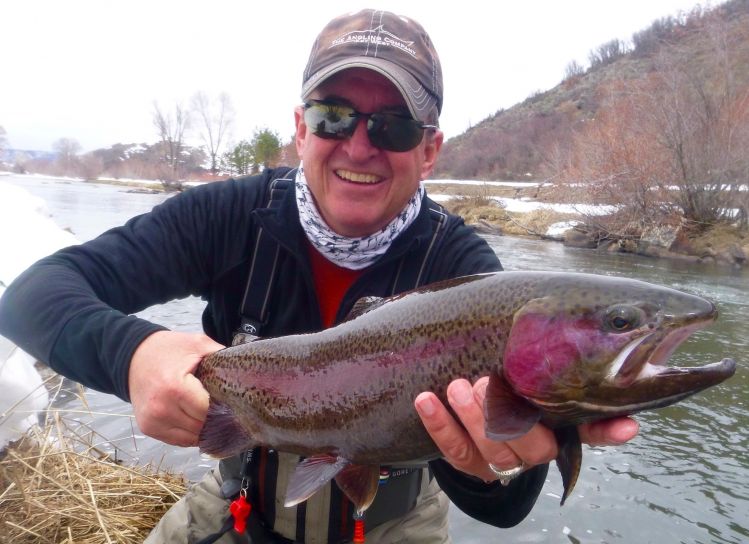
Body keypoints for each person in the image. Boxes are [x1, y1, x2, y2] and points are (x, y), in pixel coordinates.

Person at [0, 9, 638, 544]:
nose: (359, 146)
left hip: (391, 521)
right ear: (301, 127)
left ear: (429, 149)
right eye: (334, 115)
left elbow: (502, 508)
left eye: (393, 125)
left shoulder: (466, 273)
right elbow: (31, 297)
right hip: (237, 499)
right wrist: (133, 354)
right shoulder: (226, 215)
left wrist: (491, 467)